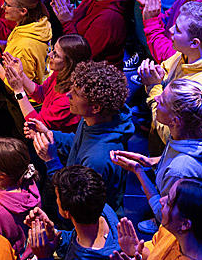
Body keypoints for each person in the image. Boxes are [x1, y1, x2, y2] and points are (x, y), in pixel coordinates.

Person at [111, 79, 202, 225]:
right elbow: (176, 153)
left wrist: (138, 171)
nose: (156, 98)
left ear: (175, 121)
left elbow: (164, 215)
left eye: (162, 102)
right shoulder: (195, 134)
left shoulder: (178, 172)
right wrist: (151, 161)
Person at [25, 60, 134, 214]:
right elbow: (77, 142)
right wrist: (50, 134)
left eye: (76, 93)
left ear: (95, 107)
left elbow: (76, 202)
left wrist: (52, 161)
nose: (68, 95)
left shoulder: (97, 160)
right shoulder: (95, 120)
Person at [138, 0, 202, 147]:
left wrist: (153, 87)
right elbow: (165, 71)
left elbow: (174, 138)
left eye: (178, 30)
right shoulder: (188, 54)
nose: (170, 30)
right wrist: (156, 74)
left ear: (195, 43)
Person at [0, 34, 91, 133]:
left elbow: (36, 125)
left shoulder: (69, 98)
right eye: (52, 50)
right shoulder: (61, 72)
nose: (50, 55)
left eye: (56, 55)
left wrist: (19, 91)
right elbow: (41, 94)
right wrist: (21, 74)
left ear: (70, 63)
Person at [51, 0, 127, 67]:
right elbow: (79, 25)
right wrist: (68, 12)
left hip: (97, 74)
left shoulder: (109, 19)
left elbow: (82, 56)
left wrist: (67, 22)